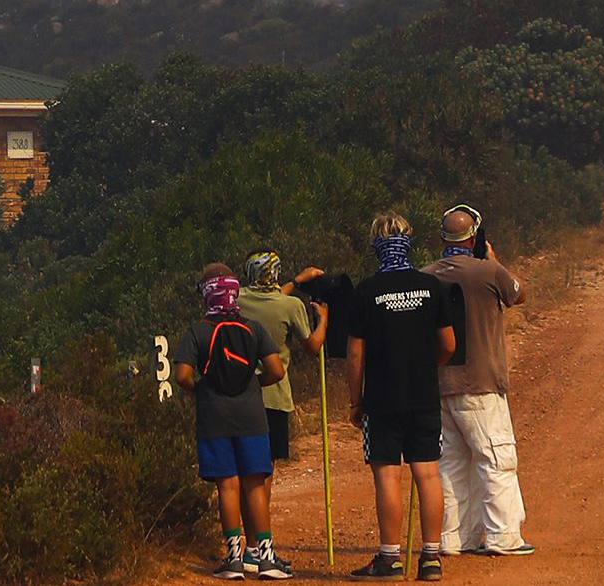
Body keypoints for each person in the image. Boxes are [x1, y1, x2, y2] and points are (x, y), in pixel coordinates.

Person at [336, 211, 459, 580]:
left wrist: (356, 402)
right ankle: (432, 558)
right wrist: (425, 368)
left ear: (376, 246)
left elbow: (355, 354)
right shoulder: (431, 286)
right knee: (428, 474)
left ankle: (389, 559)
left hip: (382, 399)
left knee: (388, 477)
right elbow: (449, 345)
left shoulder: (366, 292)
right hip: (423, 395)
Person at [427, 204, 532, 558]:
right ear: (474, 237)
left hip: (439, 384)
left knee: (450, 464)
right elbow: (519, 293)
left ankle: (454, 540)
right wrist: (494, 261)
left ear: (442, 239)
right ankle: (504, 537)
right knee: (496, 458)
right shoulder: (488, 272)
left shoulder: (426, 276)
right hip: (481, 382)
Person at [172, 264, 279, 578]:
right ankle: (266, 558)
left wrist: (201, 390)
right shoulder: (253, 328)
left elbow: (182, 375)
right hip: (252, 417)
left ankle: (233, 559)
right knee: (255, 485)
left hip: (214, 417)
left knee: (228, 487)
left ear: (206, 294)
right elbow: (276, 370)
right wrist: (253, 384)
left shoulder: (198, 330)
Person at [236, 251, 326, 577]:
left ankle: (247, 548)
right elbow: (312, 346)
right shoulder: (290, 307)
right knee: (263, 476)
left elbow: (268, 298)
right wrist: (324, 319)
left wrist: (294, 282)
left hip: (239, 398)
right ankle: (262, 549)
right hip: (272, 398)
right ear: (274, 275)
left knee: (245, 473)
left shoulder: (236, 301)